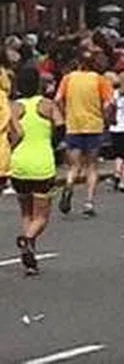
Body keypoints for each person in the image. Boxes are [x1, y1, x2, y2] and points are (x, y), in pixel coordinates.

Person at [10, 68, 59, 275]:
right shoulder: (47, 105)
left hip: (19, 163)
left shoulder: (14, 108)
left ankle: (30, 258)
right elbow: (61, 127)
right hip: (42, 164)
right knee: (42, 216)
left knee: (26, 211)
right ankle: (28, 239)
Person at [56, 51, 114, 217]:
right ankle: (89, 202)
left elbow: (58, 99)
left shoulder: (68, 78)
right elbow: (108, 104)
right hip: (93, 126)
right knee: (92, 166)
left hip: (74, 125)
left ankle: (68, 185)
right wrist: (107, 120)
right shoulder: (100, 80)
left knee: (74, 165)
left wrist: (65, 113)